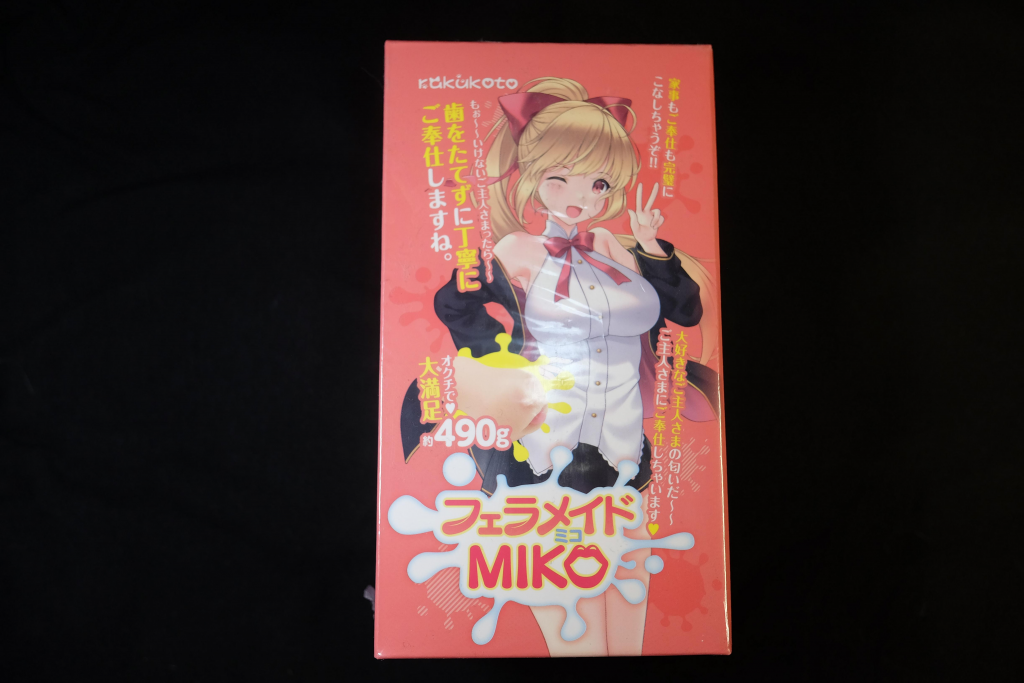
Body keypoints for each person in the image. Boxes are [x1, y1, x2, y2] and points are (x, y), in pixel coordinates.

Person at [401, 76, 720, 656]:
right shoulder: (514, 250)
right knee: (575, 627)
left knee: (627, 615)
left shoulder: (614, 247)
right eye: (561, 178)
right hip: (545, 454)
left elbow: (684, 310)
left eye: (599, 182)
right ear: (532, 175)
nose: (582, 196)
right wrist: (501, 362)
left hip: (623, 449)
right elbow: (454, 304)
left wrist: (652, 246)